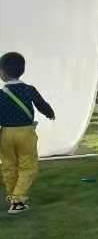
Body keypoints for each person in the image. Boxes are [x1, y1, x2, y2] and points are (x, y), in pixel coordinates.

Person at [0, 52, 55, 215]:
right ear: (22, 70)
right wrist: (50, 113)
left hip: (5, 134)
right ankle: (17, 200)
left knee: (9, 165)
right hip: (25, 133)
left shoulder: (1, 94)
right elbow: (41, 104)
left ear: (3, 73)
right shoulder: (28, 89)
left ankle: (13, 195)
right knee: (28, 166)